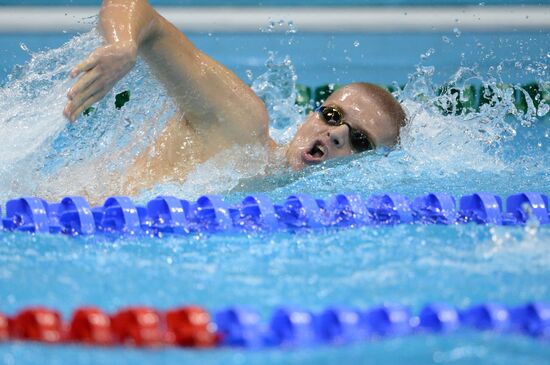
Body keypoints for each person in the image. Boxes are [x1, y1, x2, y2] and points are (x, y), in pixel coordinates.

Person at [63, 0, 406, 196]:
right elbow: (136, 9)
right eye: (333, 116)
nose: (337, 133)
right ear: (312, 114)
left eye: (359, 140)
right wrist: (123, 45)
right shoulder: (240, 125)